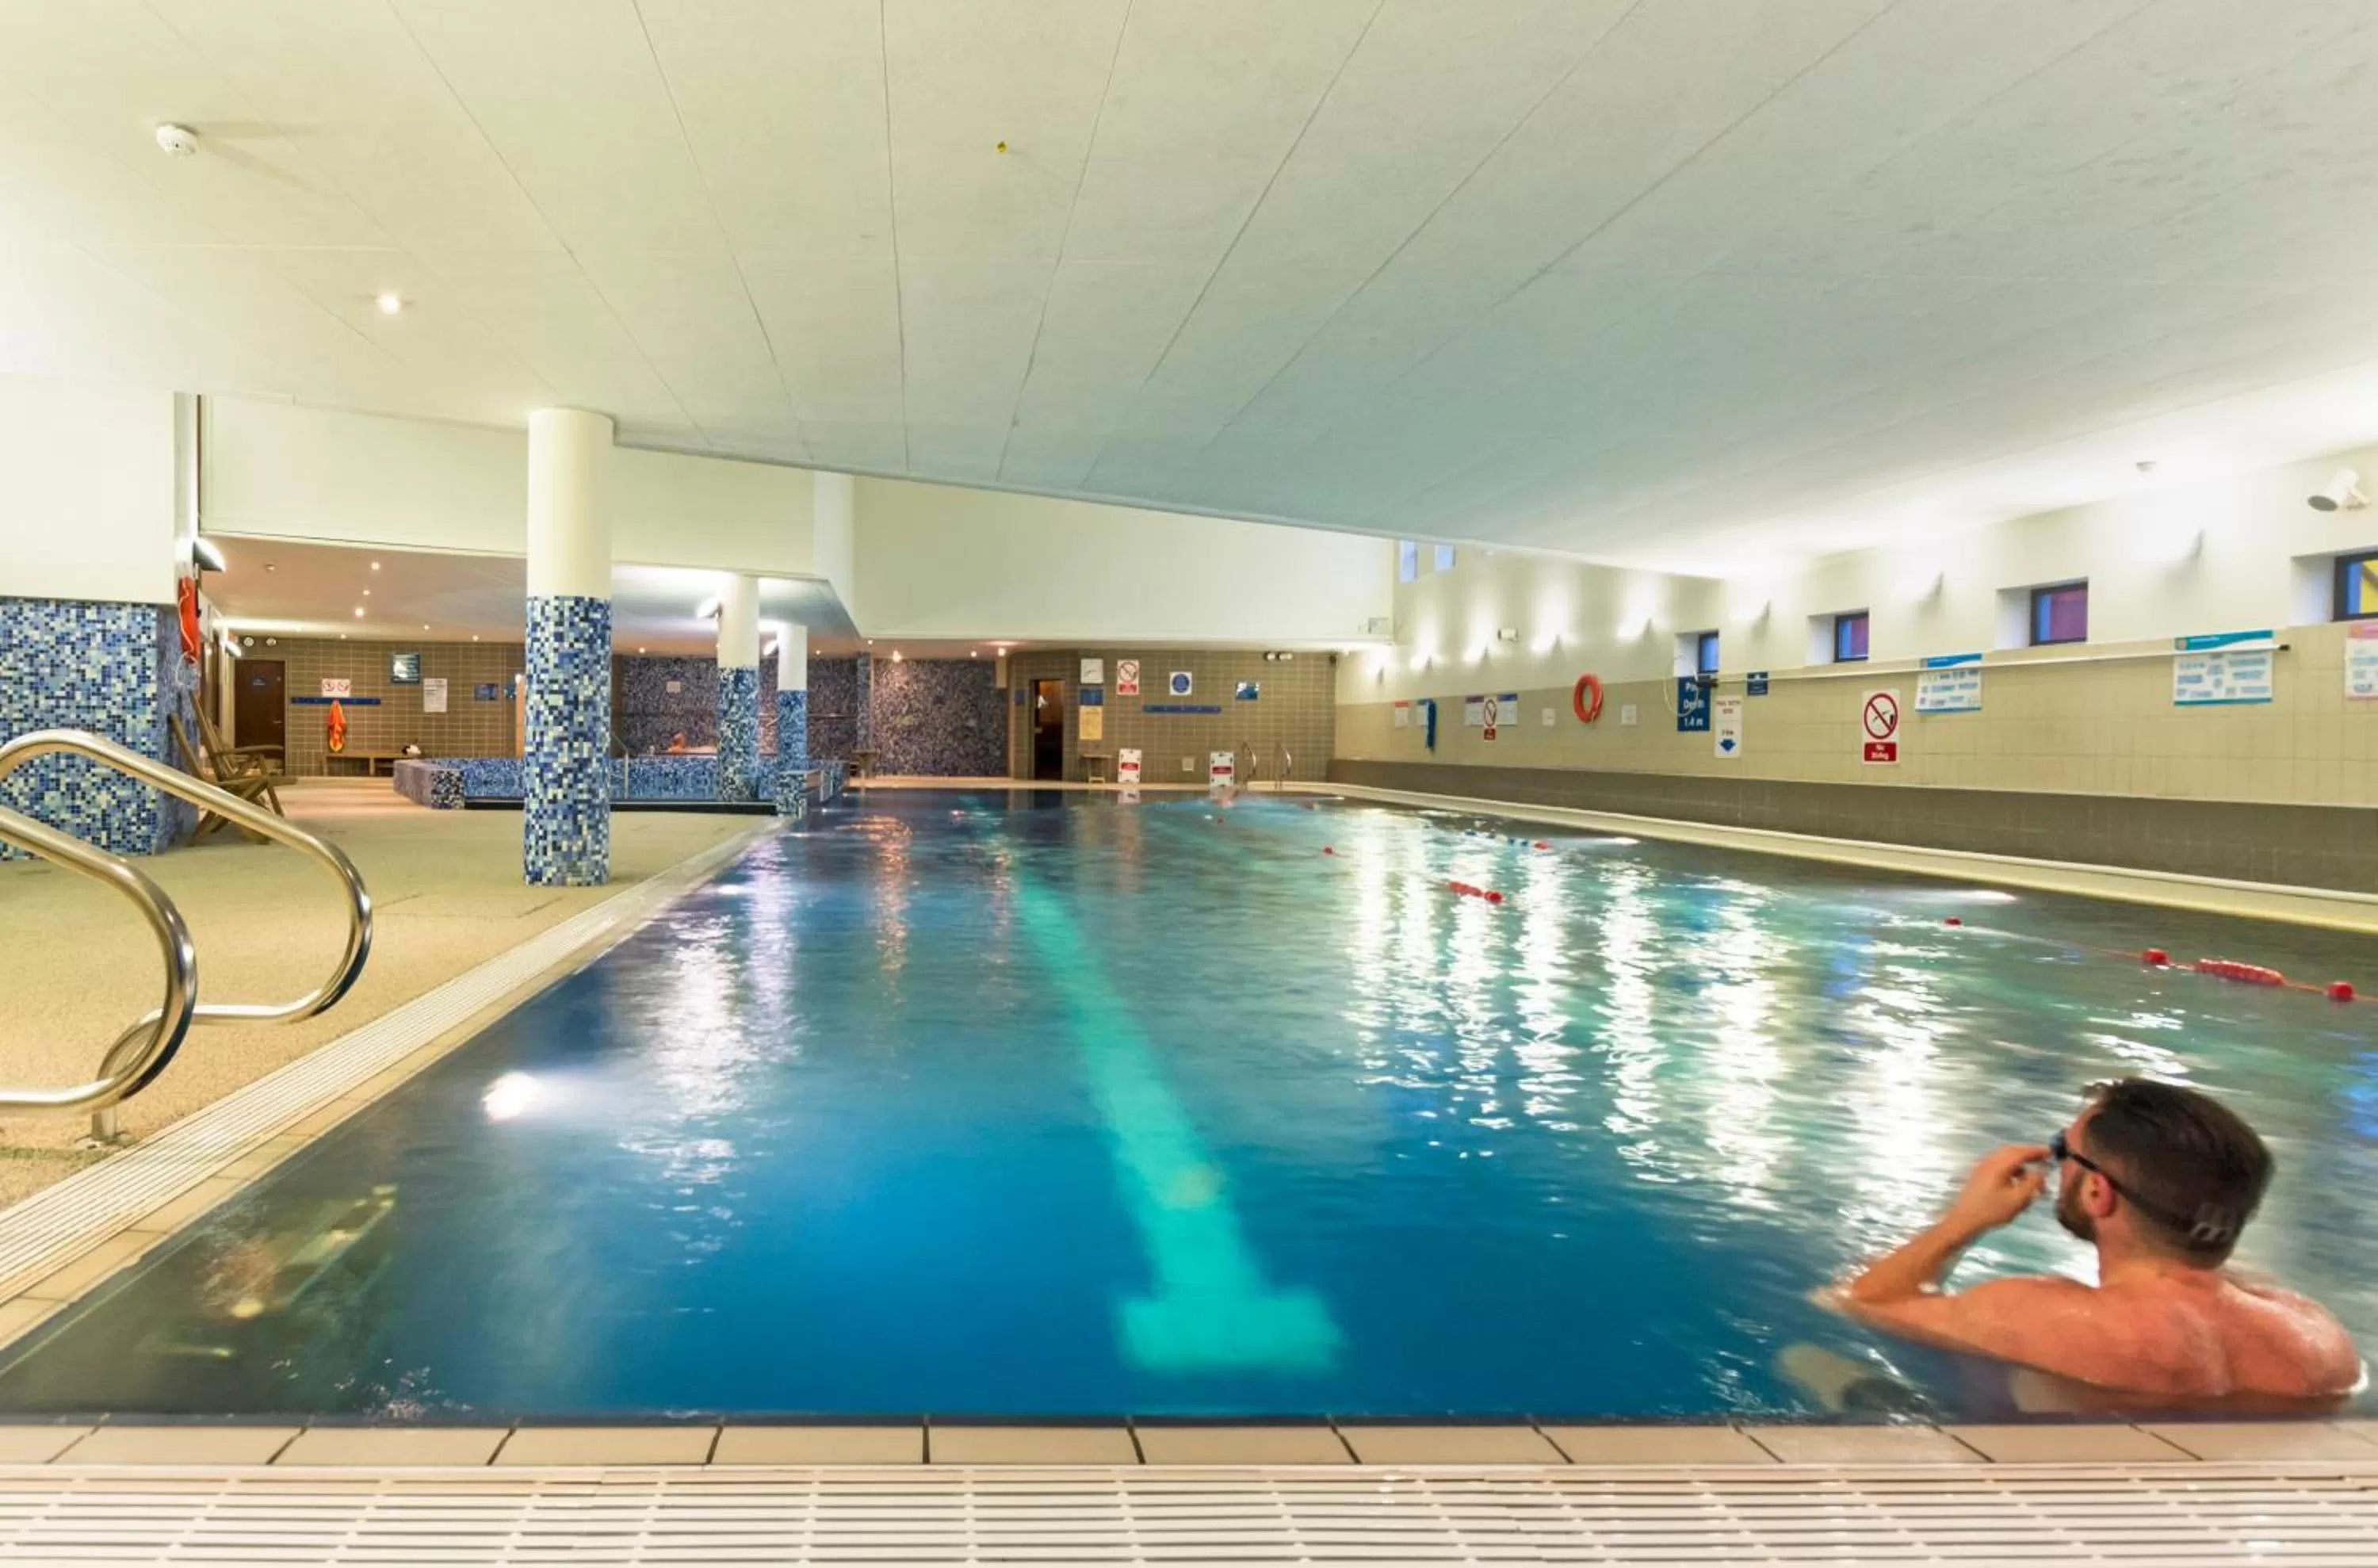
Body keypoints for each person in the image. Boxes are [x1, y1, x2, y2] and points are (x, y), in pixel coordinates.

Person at [1827, 1077, 2360, 1411]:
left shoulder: (2039, 1314)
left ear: (2098, 1191)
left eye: (2065, 1152)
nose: (2057, 1164)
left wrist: (1963, 1221)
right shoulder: (2318, 1338)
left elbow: (1861, 1303)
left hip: (2033, 1504)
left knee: (1817, 1364)